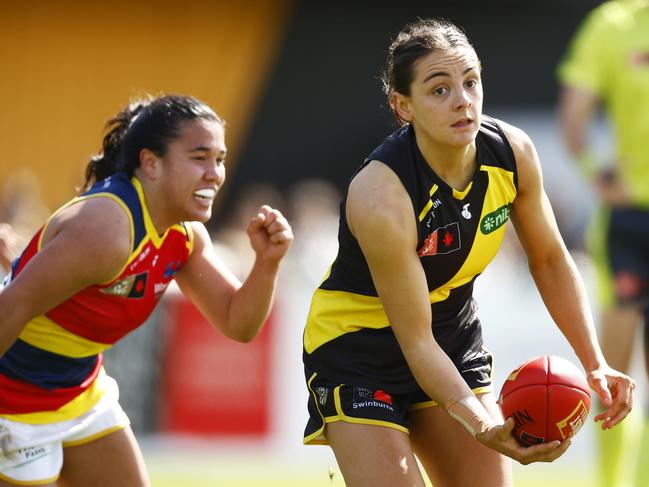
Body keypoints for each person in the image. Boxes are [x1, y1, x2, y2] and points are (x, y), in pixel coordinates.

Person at [301, 18, 635, 487]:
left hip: (451, 338)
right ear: (403, 107)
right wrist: (482, 424)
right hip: (357, 350)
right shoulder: (381, 196)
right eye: (439, 90)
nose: (463, 100)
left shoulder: (512, 152)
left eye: (471, 82)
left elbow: (551, 261)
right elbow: (414, 340)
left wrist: (593, 361)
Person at [0, 94, 293, 486]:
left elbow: (237, 323)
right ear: (150, 163)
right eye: (199, 157)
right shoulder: (108, 227)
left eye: (220, 159)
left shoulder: (185, 235)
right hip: (13, 398)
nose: (215, 173)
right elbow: (9, 311)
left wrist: (267, 262)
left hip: (79, 390)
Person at [557, 1, 649, 485]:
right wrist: (598, 174)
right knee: (613, 374)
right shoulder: (613, 24)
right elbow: (573, 120)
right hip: (630, 221)